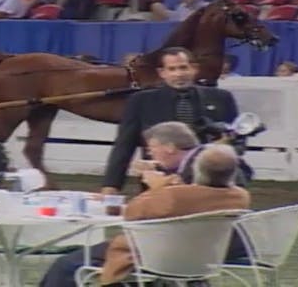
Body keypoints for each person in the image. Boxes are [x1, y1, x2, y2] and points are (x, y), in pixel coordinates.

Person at [39, 143, 251, 287]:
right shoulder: (240, 197)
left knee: (67, 264)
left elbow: (132, 214)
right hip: (203, 258)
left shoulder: (173, 196)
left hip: (157, 255)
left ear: (197, 170)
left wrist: (156, 187)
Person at [102, 46, 239, 195]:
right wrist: (111, 186)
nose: (179, 74)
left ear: (194, 68)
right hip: (158, 186)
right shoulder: (142, 101)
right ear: (162, 73)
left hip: (211, 185)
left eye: (183, 68)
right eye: (172, 69)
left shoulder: (221, 98)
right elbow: (124, 146)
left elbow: (237, 141)